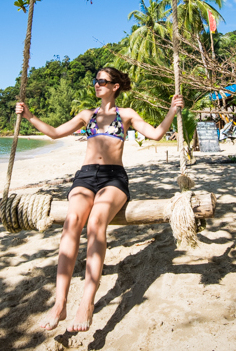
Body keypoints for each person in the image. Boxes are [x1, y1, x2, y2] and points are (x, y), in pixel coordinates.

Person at [15, 67, 183, 332]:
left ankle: (87, 303)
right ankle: (60, 303)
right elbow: (55, 133)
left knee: (95, 223)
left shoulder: (126, 114)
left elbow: (155, 134)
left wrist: (173, 110)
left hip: (113, 178)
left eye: (102, 81)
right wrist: (29, 116)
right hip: (85, 176)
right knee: (72, 222)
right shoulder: (87, 115)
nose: (97, 84)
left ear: (115, 86)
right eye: (95, 80)